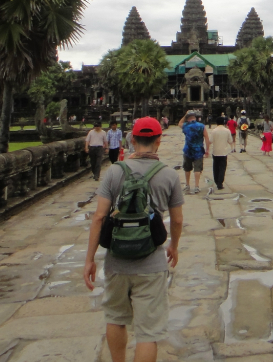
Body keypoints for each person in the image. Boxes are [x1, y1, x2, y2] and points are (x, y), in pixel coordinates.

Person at [84, 117, 184, 362]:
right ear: (158, 141)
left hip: (116, 260)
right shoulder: (168, 174)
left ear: (133, 140)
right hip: (151, 262)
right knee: (148, 332)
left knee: (115, 318)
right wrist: (173, 245)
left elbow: (99, 217)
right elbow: (178, 220)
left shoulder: (114, 171)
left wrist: (89, 259)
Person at [181, 110, 209, 194]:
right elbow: (206, 137)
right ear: (195, 117)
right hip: (198, 150)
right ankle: (196, 186)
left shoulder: (186, 125)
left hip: (188, 150)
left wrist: (185, 114)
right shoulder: (201, 126)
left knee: (187, 168)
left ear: (187, 118)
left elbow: (179, 123)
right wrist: (207, 149)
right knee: (197, 168)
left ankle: (187, 185)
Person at [208, 119, 234, 190]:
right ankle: (220, 183)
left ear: (216, 123)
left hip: (215, 152)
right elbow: (230, 141)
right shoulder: (227, 131)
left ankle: (216, 181)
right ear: (224, 123)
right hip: (223, 152)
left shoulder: (214, 131)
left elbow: (210, 141)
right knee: (222, 168)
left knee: (216, 167)